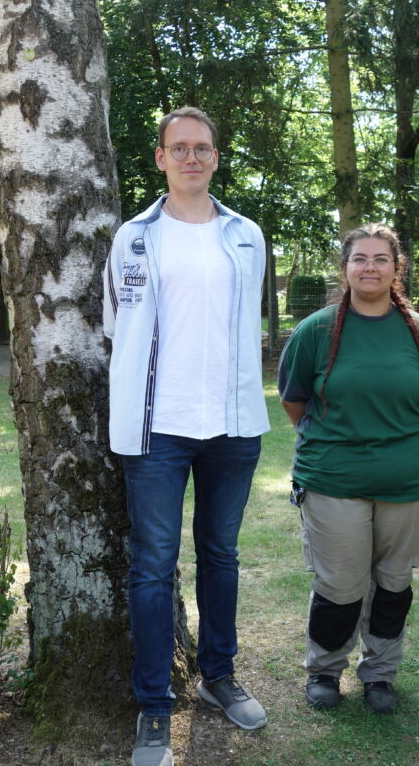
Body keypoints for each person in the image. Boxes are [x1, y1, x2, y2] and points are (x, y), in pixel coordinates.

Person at [102, 107, 270, 766]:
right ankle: (153, 708)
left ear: (216, 157)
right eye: (181, 148)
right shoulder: (134, 238)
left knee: (220, 555)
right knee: (152, 564)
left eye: (203, 147)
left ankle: (219, 677)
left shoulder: (246, 235)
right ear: (161, 158)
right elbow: (118, 322)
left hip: (230, 425)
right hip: (156, 428)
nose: (192, 157)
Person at [278, 223, 419, 715]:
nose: (370, 267)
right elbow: (296, 403)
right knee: (340, 587)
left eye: (381, 258)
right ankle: (325, 672)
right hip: (334, 480)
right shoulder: (315, 331)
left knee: (394, 583)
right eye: (360, 259)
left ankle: (380, 673)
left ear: (397, 268)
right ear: (345, 268)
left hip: (408, 483)